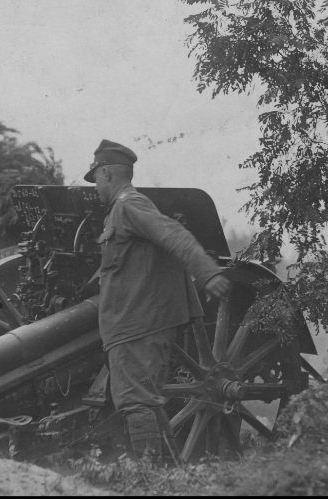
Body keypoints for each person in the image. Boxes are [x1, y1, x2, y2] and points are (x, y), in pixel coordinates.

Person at [83, 139, 232, 462]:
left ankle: (152, 476)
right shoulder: (119, 211)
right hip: (130, 325)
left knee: (136, 400)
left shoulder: (130, 205)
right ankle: (168, 474)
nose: (95, 187)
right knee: (143, 400)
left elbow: (173, 233)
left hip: (139, 324)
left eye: (96, 179)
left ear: (106, 173)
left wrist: (207, 272)